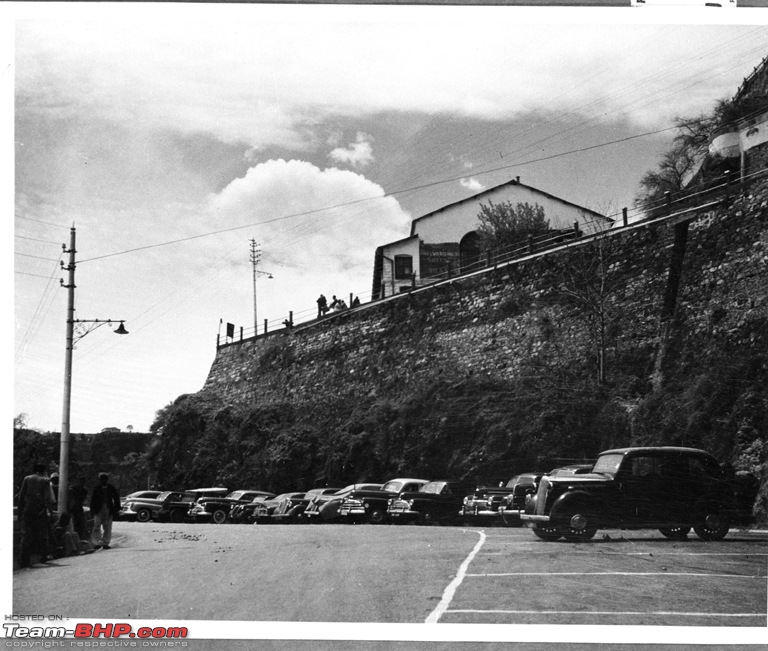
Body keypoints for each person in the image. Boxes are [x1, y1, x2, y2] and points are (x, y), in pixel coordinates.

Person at [17, 463, 56, 568]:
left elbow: (21, 496)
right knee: (42, 534)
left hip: (28, 510)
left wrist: (20, 512)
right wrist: (51, 512)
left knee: (26, 535)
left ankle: (24, 560)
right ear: (43, 471)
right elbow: (48, 499)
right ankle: (43, 556)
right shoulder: (45, 480)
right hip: (40, 511)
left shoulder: (27, 479)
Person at [90, 472, 120, 550]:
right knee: (96, 525)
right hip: (98, 509)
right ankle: (96, 542)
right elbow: (93, 500)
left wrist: (117, 508)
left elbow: (116, 498)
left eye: (104, 479)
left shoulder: (111, 488)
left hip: (108, 508)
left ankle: (105, 542)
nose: (103, 480)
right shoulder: (97, 488)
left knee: (107, 526)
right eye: (101, 479)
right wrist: (93, 510)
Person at [69, 476, 88, 541]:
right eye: (80, 481)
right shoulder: (72, 488)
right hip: (72, 508)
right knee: (74, 524)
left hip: (78, 508)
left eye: (83, 482)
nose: (81, 483)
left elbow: (81, 498)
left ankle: (79, 538)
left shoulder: (84, 490)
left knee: (80, 524)